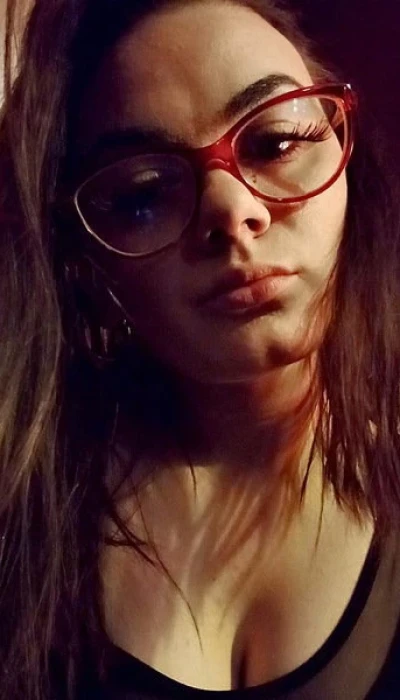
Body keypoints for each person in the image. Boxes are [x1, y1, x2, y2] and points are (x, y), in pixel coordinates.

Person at [1, 0, 400, 698]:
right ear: (85, 261)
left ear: (344, 149)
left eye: (276, 142)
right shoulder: (24, 504)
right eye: (144, 193)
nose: (232, 210)